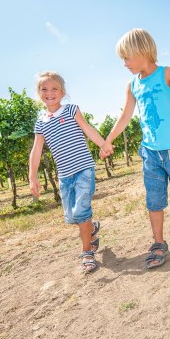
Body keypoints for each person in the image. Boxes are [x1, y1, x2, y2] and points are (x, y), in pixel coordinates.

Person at [103, 28, 170, 270]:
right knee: (154, 199)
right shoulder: (132, 85)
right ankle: (159, 243)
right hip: (150, 152)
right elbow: (125, 115)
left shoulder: (166, 73)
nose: (125, 64)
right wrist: (108, 140)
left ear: (142, 51)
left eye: (127, 58)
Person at [29, 72, 113, 274]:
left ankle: (87, 253)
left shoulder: (71, 110)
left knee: (81, 211)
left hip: (84, 168)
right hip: (65, 176)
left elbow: (87, 129)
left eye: (54, 89)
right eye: (44, 89)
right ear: (39, 93)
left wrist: (103, 144)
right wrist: (32, 176)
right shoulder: (41, 122)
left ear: (62, 92)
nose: (49, 93)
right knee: (73, 216)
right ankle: (91, 229)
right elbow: (36, 150)